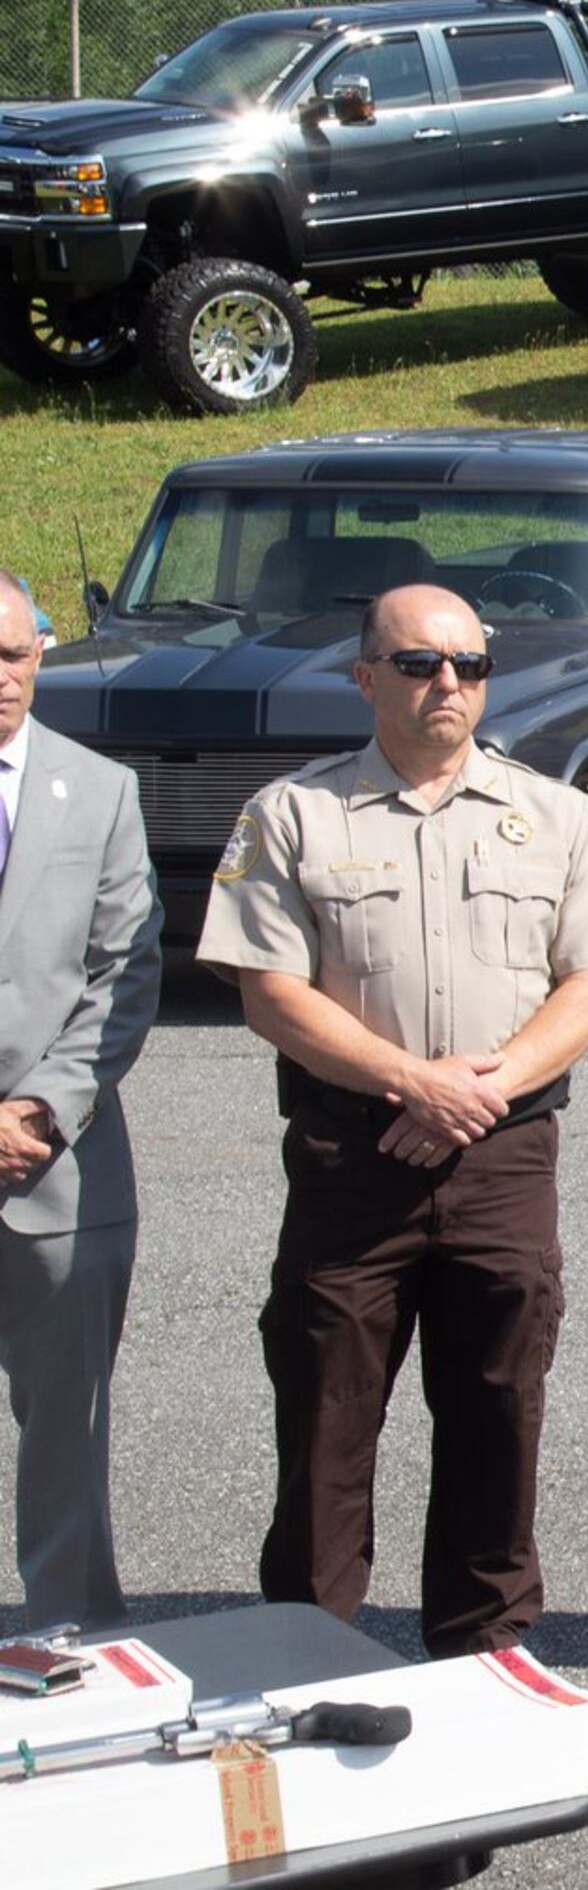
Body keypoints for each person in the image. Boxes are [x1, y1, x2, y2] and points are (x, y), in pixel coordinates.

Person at [198, 583, 588, 1656]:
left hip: (502, 1159)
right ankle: (306, 1652)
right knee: (326, 1413)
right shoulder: (293, 816)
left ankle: (484, 1652)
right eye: (418, 663)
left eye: (468, 664)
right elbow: (271, 993)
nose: (447, 682)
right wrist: (415, 1083)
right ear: (366, 678)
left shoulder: (554, 814)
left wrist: (473, 1095)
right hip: (353, 1161)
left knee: (499, 1409)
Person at [0, 571, 160, 1627]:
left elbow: (125, 975)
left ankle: (73, 1645)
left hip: (56, 1168)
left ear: (40, 655)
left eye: (13, 655)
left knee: (67, 1437)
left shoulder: (98, 791)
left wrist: (38, 1112)